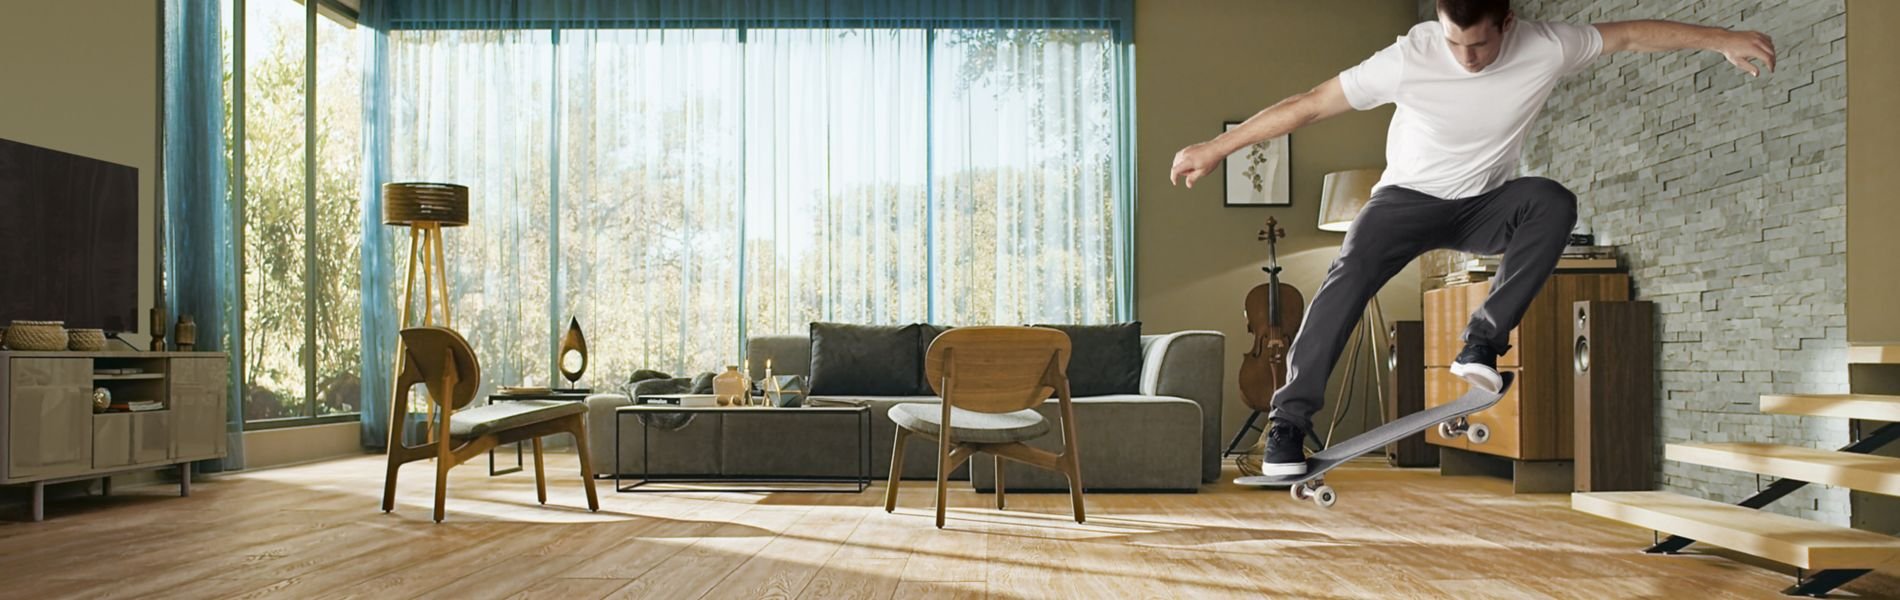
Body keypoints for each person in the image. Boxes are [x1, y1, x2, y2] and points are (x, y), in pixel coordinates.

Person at [1169, 0, 1776, 476]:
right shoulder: (1410, 56)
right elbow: (1309, 106)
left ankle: (1481, 344)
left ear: (1507, 23)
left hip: (1486, 206)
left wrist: (1721, 39)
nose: (1467, 56)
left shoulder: (1547, 45)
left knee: (1551, 202)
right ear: (1438, 23)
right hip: (1404, 201)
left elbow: (1633, 34)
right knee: (1344, 279)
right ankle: (1287, 425)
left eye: (1481, 43)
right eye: (1455, 42)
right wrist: (1218, 147)